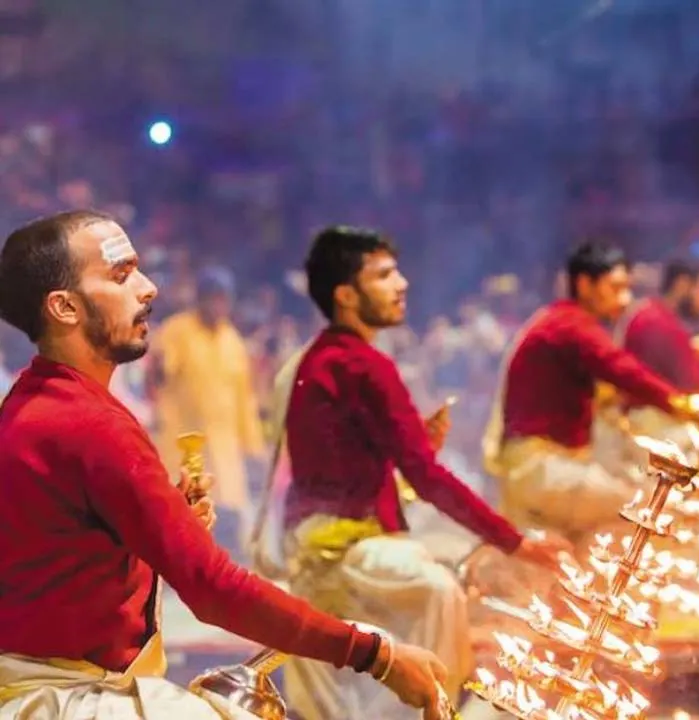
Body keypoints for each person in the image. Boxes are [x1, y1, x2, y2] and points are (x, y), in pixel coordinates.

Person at [0, 211, 452, 720]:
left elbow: (65, 566)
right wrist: (378, 655)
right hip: (67, 699)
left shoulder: (35, 401)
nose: (148, 289)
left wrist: (160, 526)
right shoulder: (88, 424)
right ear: (63, 307)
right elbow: (214, 590)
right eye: (121, 276)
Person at [265, 226, 569, 720]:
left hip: (327, 542)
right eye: (384, 275)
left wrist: (415, 446)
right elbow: (426, 478)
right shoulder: (361, 366)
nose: (401, 283)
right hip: (340, 550)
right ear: (345, 295)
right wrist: (517, 543)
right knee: (441, 591)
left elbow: (350, 464)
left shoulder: (324, 358)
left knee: (448, 579)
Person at [482, 242, 699, 542]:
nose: (625, 298)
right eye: (615, 288)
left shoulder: (563, 321)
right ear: (584, 284)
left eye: (627, 288)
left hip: (545, 468)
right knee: (641, 510)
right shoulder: (570, 325)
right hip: (542, 470)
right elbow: (623, 370)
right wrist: (685, 405)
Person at [150, 266, 265, 552]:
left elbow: (244, 397)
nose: (218, 306)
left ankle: (226, 573)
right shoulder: (177, 331)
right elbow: (160, 374)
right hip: (185, 443)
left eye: (223, 299)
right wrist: (158, 365)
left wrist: (253, 445)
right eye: (212, 298)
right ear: (199, 300)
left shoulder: (233, 341)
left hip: (225, 447)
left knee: (227, 510)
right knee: (184, 510)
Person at [604, 260, 699, 448]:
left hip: (644, 421)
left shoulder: (649, 312)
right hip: (652, 427)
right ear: (682, 285)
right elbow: (693, 382)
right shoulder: (659, 322)